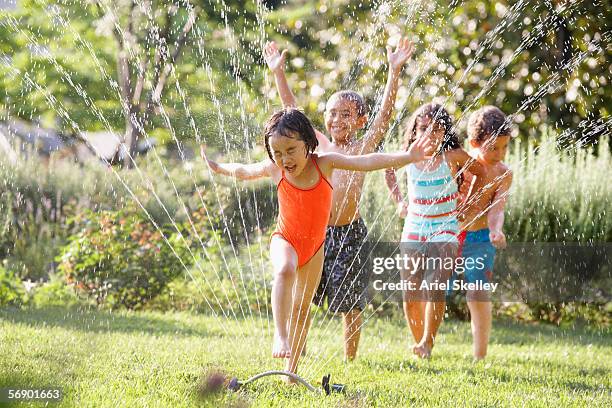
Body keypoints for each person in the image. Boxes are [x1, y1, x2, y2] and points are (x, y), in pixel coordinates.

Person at [202, 108, 430, 379]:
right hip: (285, 239)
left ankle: (291, 372)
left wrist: (408, 156)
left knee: (301, 308)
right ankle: (280, 335)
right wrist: (219, 168)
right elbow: (243, 170)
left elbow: (368, 161)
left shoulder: (325, 163)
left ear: (308, 144)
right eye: (277, 152)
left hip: (315, 249)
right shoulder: (275, 170)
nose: (284, 159)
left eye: (290, 150)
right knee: (285, 269)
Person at [264, 37, 415, 361]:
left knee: (351, 299)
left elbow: (385, 116)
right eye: (331, 113)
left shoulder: (360, 148)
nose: (335, 120)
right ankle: (295, 350)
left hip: (349, 231)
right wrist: (279, 74)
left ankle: (350, 358)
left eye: (345, 114)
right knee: (301, 296)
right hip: (312, 234)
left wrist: (394, 71)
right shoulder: (316, 146)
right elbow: (291, 115)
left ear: (360, 120)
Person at [385, 102, 484, 358]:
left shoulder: (452, 157)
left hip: (445, 227)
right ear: (415, 131)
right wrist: (399, 201)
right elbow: (387, 169)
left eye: (437, 129)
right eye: (424, 128)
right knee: (410, 289)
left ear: (445, 133)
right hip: (415, 226)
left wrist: (469, 204)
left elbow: (481, 172)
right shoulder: (408, 156)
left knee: (435, 285)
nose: (430, 135)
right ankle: (419, 343)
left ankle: (428, 342)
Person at [453, 105, 513, 360]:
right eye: (493, 148)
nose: (500, 154)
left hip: (479, 239)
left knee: (478, 292)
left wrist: (495, 231)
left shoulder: (503, 174)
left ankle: (480, 355)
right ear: (473, 143)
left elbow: (497, 209)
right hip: (451, 234)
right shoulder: (460, 165)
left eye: (505, 147)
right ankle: (425, 344)